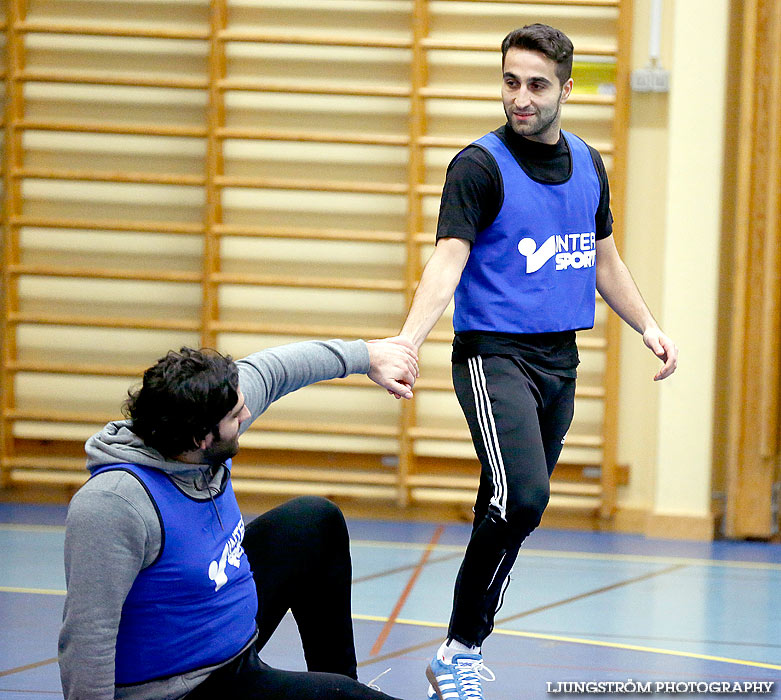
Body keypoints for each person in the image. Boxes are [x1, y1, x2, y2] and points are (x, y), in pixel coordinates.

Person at [394, 24, 679, 700]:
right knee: (522, 495)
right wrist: (406, 341)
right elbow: (446, 263)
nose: (519, 98)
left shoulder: (586, 162)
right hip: (494, 357)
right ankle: (460, 649)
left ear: (566, 89)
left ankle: (460, 647)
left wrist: (647, 325)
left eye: (535, 85)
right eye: (509, 82)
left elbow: (602, 259)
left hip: (559, 360)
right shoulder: (478, 165)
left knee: (508, 508)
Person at [58, 336, 418, 700]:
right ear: (201, 437)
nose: (246, 416)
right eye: (235, 417)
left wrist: (368, 356)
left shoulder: (203, 422)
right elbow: (88, 639)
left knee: (313, 522)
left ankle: (343, 682)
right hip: (189, 686)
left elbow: (277, 369)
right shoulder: (114, 504)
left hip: (228, 637)